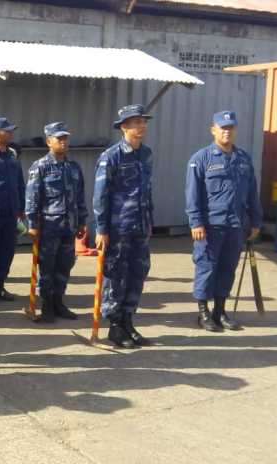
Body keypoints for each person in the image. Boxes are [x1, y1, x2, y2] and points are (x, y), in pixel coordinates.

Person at [185, 110, 263, 332]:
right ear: (213, 130)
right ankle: (203, 313)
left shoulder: (243, 159)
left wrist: (256, 221)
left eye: (230, 128)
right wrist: (196, 222)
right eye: (222, 128)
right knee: (206, 267)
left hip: (236, 225)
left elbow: (252, 193)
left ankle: (220, 312)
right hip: (211, 226)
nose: (227, 132)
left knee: (228, 268)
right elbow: (192, 195)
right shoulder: (201, 159)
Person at [93, 104, 154, 349]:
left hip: (140, 226)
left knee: (137, 274)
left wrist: (150, 221)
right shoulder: (111, 156)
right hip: (118, 228)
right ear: (124, 127)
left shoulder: (146, 154)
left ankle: (128, 321)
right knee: (116, 276)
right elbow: (100, 195)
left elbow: (147, 192)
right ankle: (115, 327)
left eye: (143, 122)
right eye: (136, 122)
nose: (141, 126)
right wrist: (101, 229)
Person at [26, 121, 88, 322]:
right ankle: (47, 306)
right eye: (59, 138)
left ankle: (59, 301)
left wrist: (82, 221)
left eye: (65, 138)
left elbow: (80, 196)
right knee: (47, 267)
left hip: (69, 226)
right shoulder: (40, 167)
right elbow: (33, 197)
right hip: (49, 227)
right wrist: (32, 224)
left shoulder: (73, 167)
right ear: (49, 141)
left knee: (65, 265)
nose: (63, 142)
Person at [0, 117, 25, 303]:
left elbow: (19, 182)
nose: (11, 133)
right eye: (7, 130)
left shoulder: (12, 155)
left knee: (7, 250)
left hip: (11, 212)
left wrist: (21, 208)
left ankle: (0, 286)